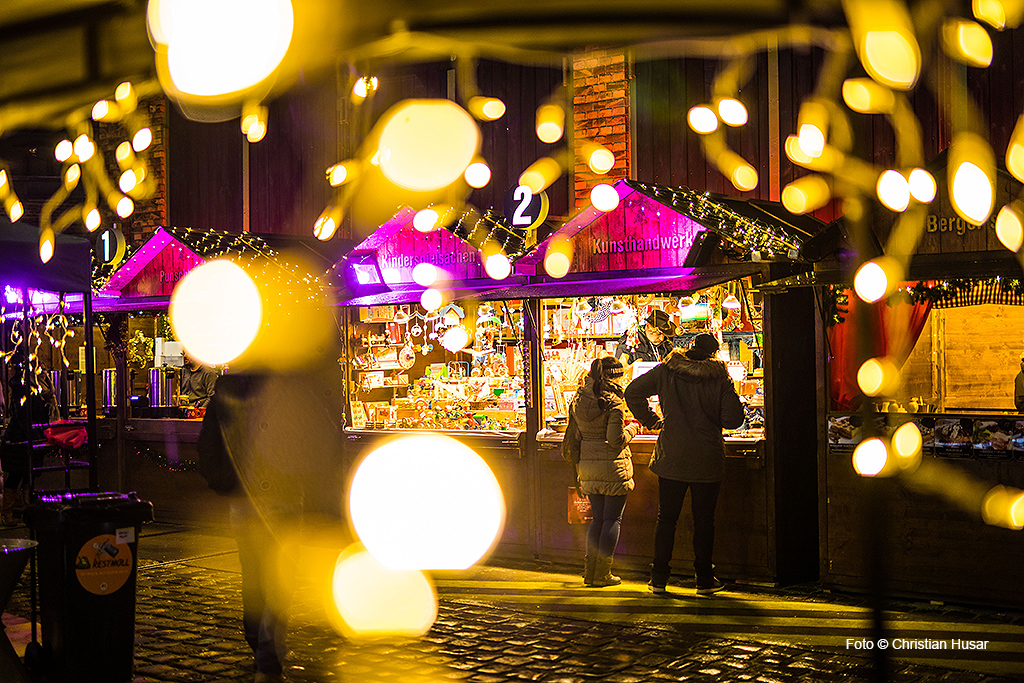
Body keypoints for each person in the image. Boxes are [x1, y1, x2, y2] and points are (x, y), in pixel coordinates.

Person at [624, 332, 744, 596]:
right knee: (704, 521)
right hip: (706, 458)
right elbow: (733, 420)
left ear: (689, 347)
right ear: (714, 354)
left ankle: (658, 578)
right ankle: (703, 580)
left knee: (666, 518)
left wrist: (652, 420)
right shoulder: (719, 377)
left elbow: (632, 392)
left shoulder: (668, 370)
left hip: (672, 457)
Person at [563, 356, 639, 587]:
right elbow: (615, 440)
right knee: (612, 519)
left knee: (597, 519)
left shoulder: (578, 398)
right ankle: (603, 574)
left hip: (587, 465)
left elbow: (575, 435)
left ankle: (590, 573)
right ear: (615, 376)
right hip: (612, 466)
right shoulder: (613, 402)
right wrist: (634, 427)